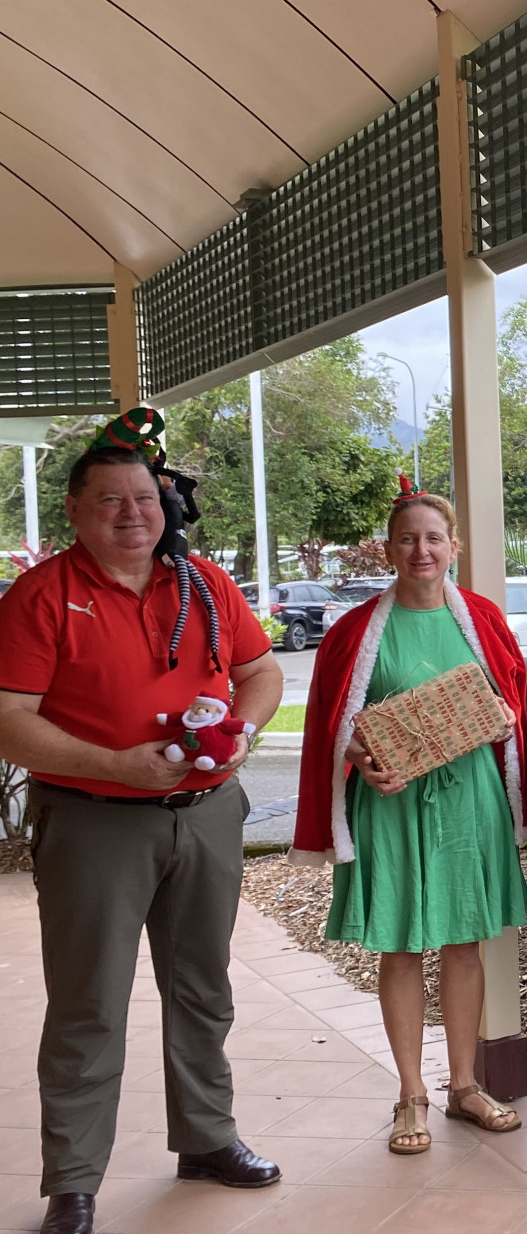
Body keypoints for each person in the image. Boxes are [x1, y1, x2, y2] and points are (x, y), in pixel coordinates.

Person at [0, 443, 284, 1234]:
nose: (134, 513)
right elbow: (9, 720)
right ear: (74, 511)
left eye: (146, 499)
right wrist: (117, 765)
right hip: (94, 820)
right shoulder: (41, 595)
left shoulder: (203, 582)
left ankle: (207, 1136)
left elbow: (261, 672)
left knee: (202, 985)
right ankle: (75, 1178)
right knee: (88, 1001)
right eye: (111, 500)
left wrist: (244, 735)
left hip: (207, 812)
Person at [293, 484, 527, 1154]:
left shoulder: (486, 620)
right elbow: (333, 725)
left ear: (454, 546)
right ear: (389, 548)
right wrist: (361, 756)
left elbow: (510, 704)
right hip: (391, 802)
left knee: (464, 939)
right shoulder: (353, 631)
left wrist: (502, 718)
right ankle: (411, 1094)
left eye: (434, 537)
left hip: (469, 801)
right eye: (408, 538)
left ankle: (464, 1085)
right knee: (402, 945)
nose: (421, 549)